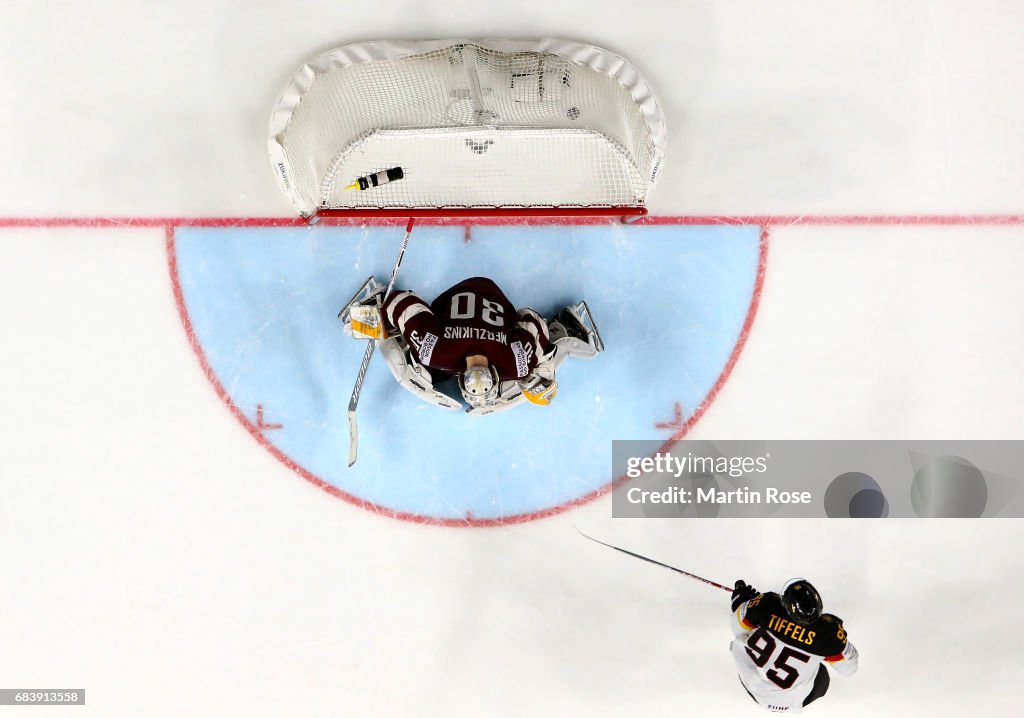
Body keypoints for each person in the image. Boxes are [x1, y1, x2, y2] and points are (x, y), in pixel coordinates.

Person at [340, 276, 602, 415]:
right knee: (417, 369)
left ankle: (566, 328)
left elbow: (531, 320)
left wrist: (541, 362)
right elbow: (405, 303)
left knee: (535, 373)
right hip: (474, 301)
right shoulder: (435, 351)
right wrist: (382, 314)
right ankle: (565, 327)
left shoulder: (515, 362)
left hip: (479, 298)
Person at [729, 578, 858, 713]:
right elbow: (849, 670)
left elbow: (737, 628)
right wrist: (841, 645)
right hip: (800, 698)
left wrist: (743, 602)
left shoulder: (765, 605)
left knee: (750, 645)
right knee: (819, 671)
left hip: (756, 691)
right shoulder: (828, 634)